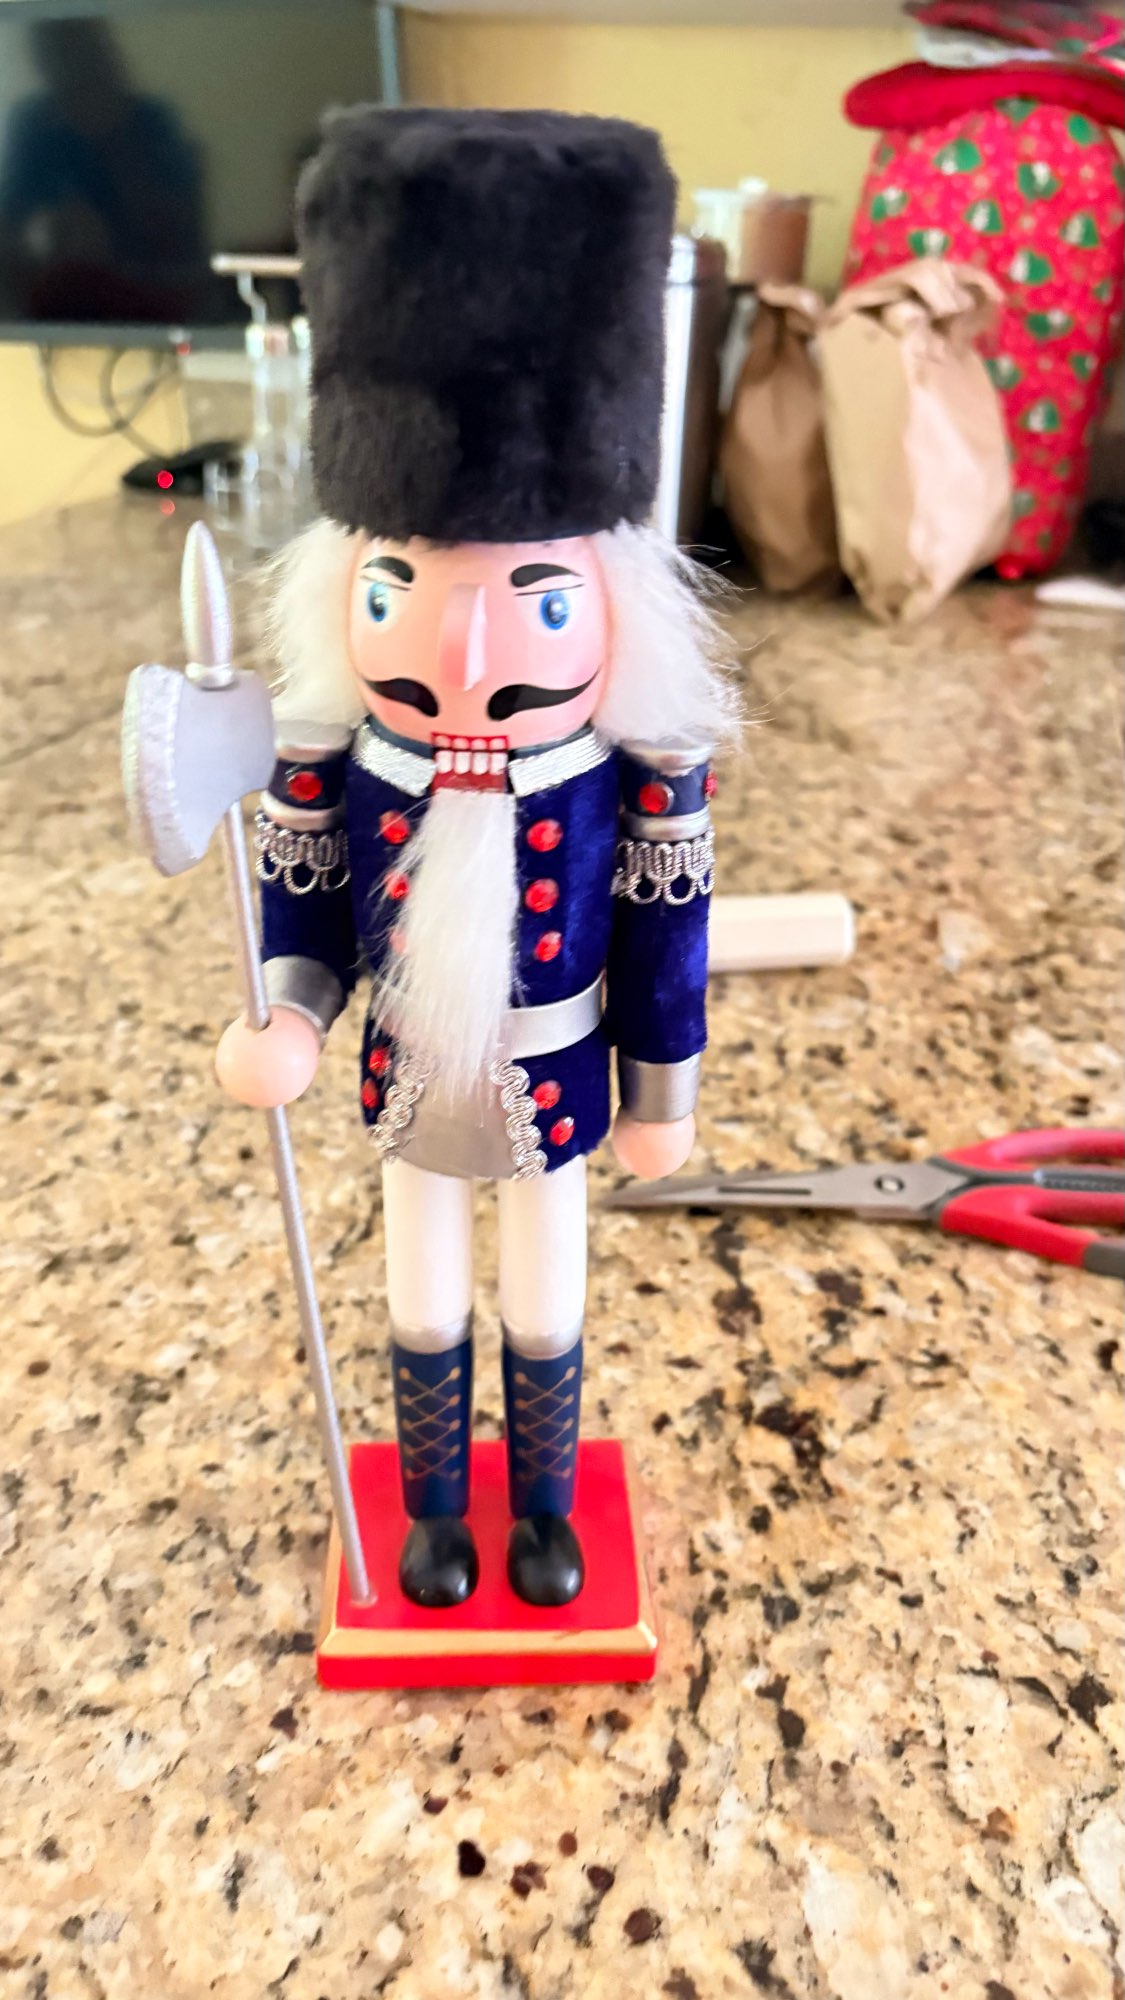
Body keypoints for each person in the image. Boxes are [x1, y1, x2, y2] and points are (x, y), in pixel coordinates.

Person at [215, 107, 738, 1612]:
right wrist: (291, 1015)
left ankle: (544, 1512)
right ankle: (437, 1515)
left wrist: (661, 1092)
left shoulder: (629, 780)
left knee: (547, 1291)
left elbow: (664, 940)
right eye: (403, 590)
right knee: (422, 1288)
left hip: (557, 1076)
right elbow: (305, 906)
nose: (463, 651)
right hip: (407, 1077)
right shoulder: (339, 766)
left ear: (612, 605)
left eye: (535, 599)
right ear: (344, 590)